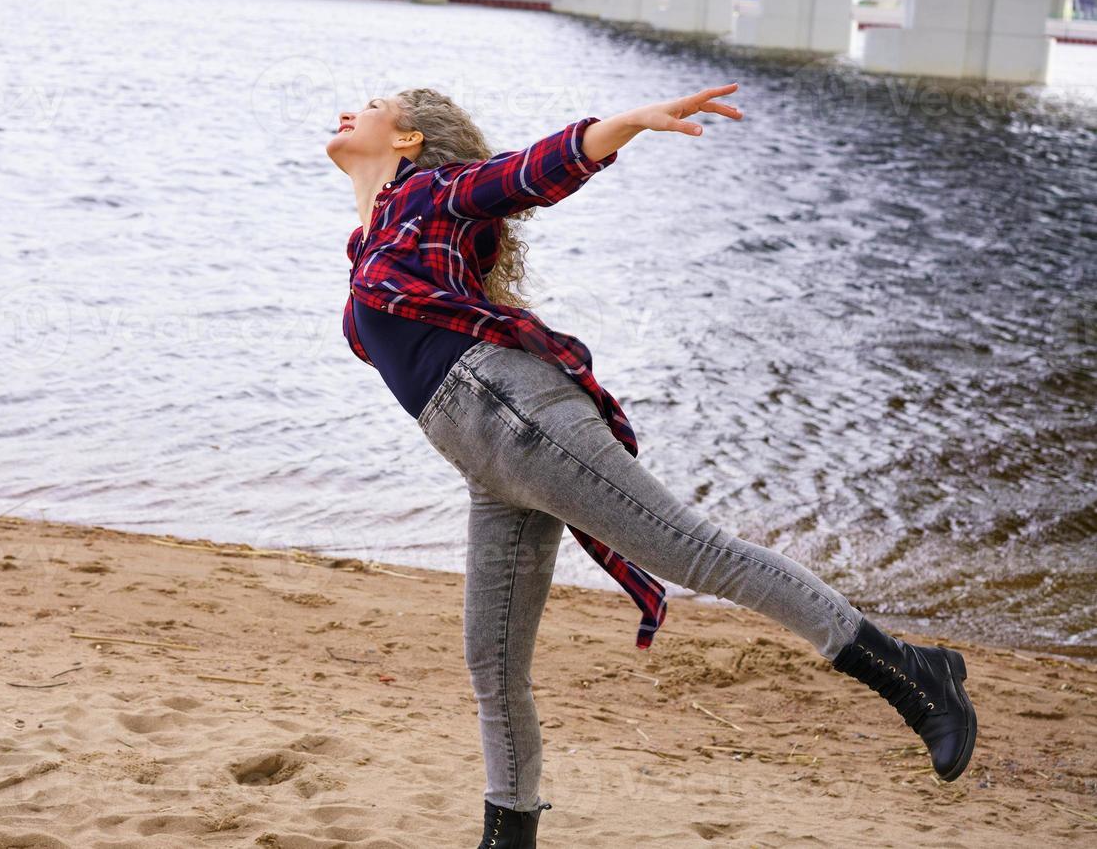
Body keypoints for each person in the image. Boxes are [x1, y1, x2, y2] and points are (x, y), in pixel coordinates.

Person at [326, 85, 977, 849]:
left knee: (695, 553)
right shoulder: (371, 238)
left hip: (517, 418)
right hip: (487, 458)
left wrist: (623, 126)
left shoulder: (431, 194)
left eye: (372, 103)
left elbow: (525, 173)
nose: (349, 109)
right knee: (493, 659)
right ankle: (509, 835)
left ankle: (909, 672)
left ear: (407, 141)